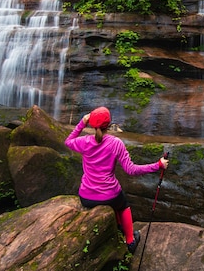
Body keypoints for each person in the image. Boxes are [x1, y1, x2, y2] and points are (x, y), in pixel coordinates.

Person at [64, 106, 169, 254]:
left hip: (86, 197)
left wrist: (82, 123)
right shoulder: (116, 143)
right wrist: (157, 165)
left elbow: (68, 141)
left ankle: (119, 226)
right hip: (109, 195)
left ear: (92, 124)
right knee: (123, 204)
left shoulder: (84, 142)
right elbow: (131, 170)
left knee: (117, 201)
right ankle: (130, 240)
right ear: (109, 124)